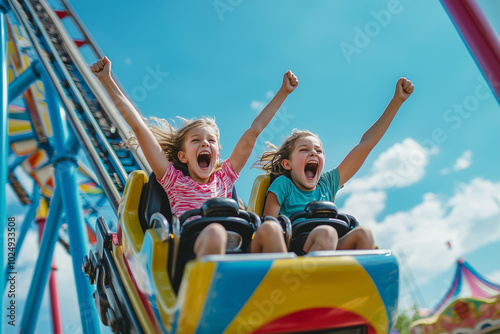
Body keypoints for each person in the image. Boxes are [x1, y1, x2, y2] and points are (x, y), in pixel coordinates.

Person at [91, 56, 298, 257]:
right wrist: (106, 80)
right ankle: (212, 289)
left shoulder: (225, 179)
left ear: (217, 156)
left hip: (235, 247)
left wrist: (284, 92)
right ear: (183, 156)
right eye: (196, 140)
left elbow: (254, 131)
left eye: (211, 141)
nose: (205, 143)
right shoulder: (174, 181)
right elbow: (138, 127)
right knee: (216, 232)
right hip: (193, 253)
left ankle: (277, 287)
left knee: (270, 229)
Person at [253, 77, 414, 253]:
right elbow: (270, 228)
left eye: (318, 151)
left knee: (364, 234)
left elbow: (365, 145)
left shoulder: (326, 184)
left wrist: (397, 101)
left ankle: (346, 278)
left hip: (328, 243)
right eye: (304, 150)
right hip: (295, 246)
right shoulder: (283, 185)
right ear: (287, 164)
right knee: (327, 233)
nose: (313, 153)